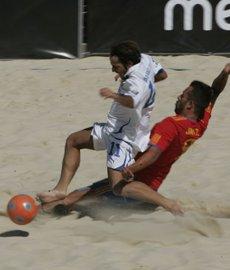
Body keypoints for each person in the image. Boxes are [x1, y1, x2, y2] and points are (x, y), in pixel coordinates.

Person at [42, 63, 230, 216]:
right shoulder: (199, 123)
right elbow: (215, 92)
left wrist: (131, 168)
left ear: (190, 105)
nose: (179, 96)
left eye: (183, 95)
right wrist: (225, 72)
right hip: (149, 187)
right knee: (79, 195)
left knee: (74, 199)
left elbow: (153, 154)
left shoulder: (170, 125)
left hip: (135, 188)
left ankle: (40, 212)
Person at [37, 41, 167, 203]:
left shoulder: (135, 83)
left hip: (124, 138)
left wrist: (113, 95)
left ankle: (163, 202)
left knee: (117, 187)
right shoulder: (145, 59)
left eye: (116, 66)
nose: (113, 69)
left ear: (128, 63)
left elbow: (132, 102)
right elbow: (162, 75)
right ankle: (60, 190)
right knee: (73, 140)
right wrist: (129, 78)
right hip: (114, 128)